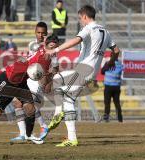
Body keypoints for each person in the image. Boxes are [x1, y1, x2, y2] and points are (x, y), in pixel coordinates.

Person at [45, 5, 121, 147]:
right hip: (92, 72)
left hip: (83, 70)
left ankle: (58, 115)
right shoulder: (105, 31)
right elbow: (116, 50)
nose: (80, 21)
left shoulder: (89, 28)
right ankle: (71, 137)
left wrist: (55, 50)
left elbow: (76, 40)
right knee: (68, 99)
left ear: (85, 16)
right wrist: (111, 62)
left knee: (56, 80)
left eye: (80, 18)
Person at [0, 34, 59, 144]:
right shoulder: (41, 60)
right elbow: (43, 81)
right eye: (51, 47)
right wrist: (50, 77)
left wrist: (53, 72)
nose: (53, 50)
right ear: (46, 46)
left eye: (55, 47)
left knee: (30, 108)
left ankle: (28, 135)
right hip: (8, 79)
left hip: (21, 82)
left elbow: (53, 66)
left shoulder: (50, 54)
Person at [10, 22, 51, 142]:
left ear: (46, 34)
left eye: (43, 33)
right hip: (28, 77)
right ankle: (23, 134)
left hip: (38, 79)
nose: (40, 35)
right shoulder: (31, 45)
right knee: (17, 103)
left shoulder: (49, 47)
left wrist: (47, 80)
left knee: (29, 105)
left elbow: (52, 64)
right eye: (38, 32)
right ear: (35, 33)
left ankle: (43, 126)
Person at [101, 58, 123, 122]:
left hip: (108, 86)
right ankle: (120, 119)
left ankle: (106, 119)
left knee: (107, 103)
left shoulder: (108, 64)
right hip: (116, 86)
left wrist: (106, 65)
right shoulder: (120, 65)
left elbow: (102, 72)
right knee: (117, 103)